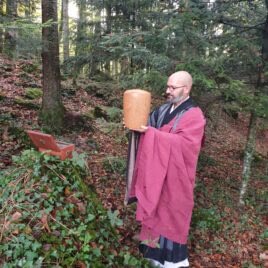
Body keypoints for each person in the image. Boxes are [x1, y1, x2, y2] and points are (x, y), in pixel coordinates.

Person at [125, 71, 206, 268]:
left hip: (176, 180)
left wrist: (152, 134)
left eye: (172, 88)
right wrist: (136, 125)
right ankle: (151, 258)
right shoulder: (163, 110)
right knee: (153, 213)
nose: (167, 91)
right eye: (167, 86)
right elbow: (146, 127)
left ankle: (172, 263)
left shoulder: (194, 115)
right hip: (156, 176)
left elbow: (186, 145)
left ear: (186, 89)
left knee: (171, 216)